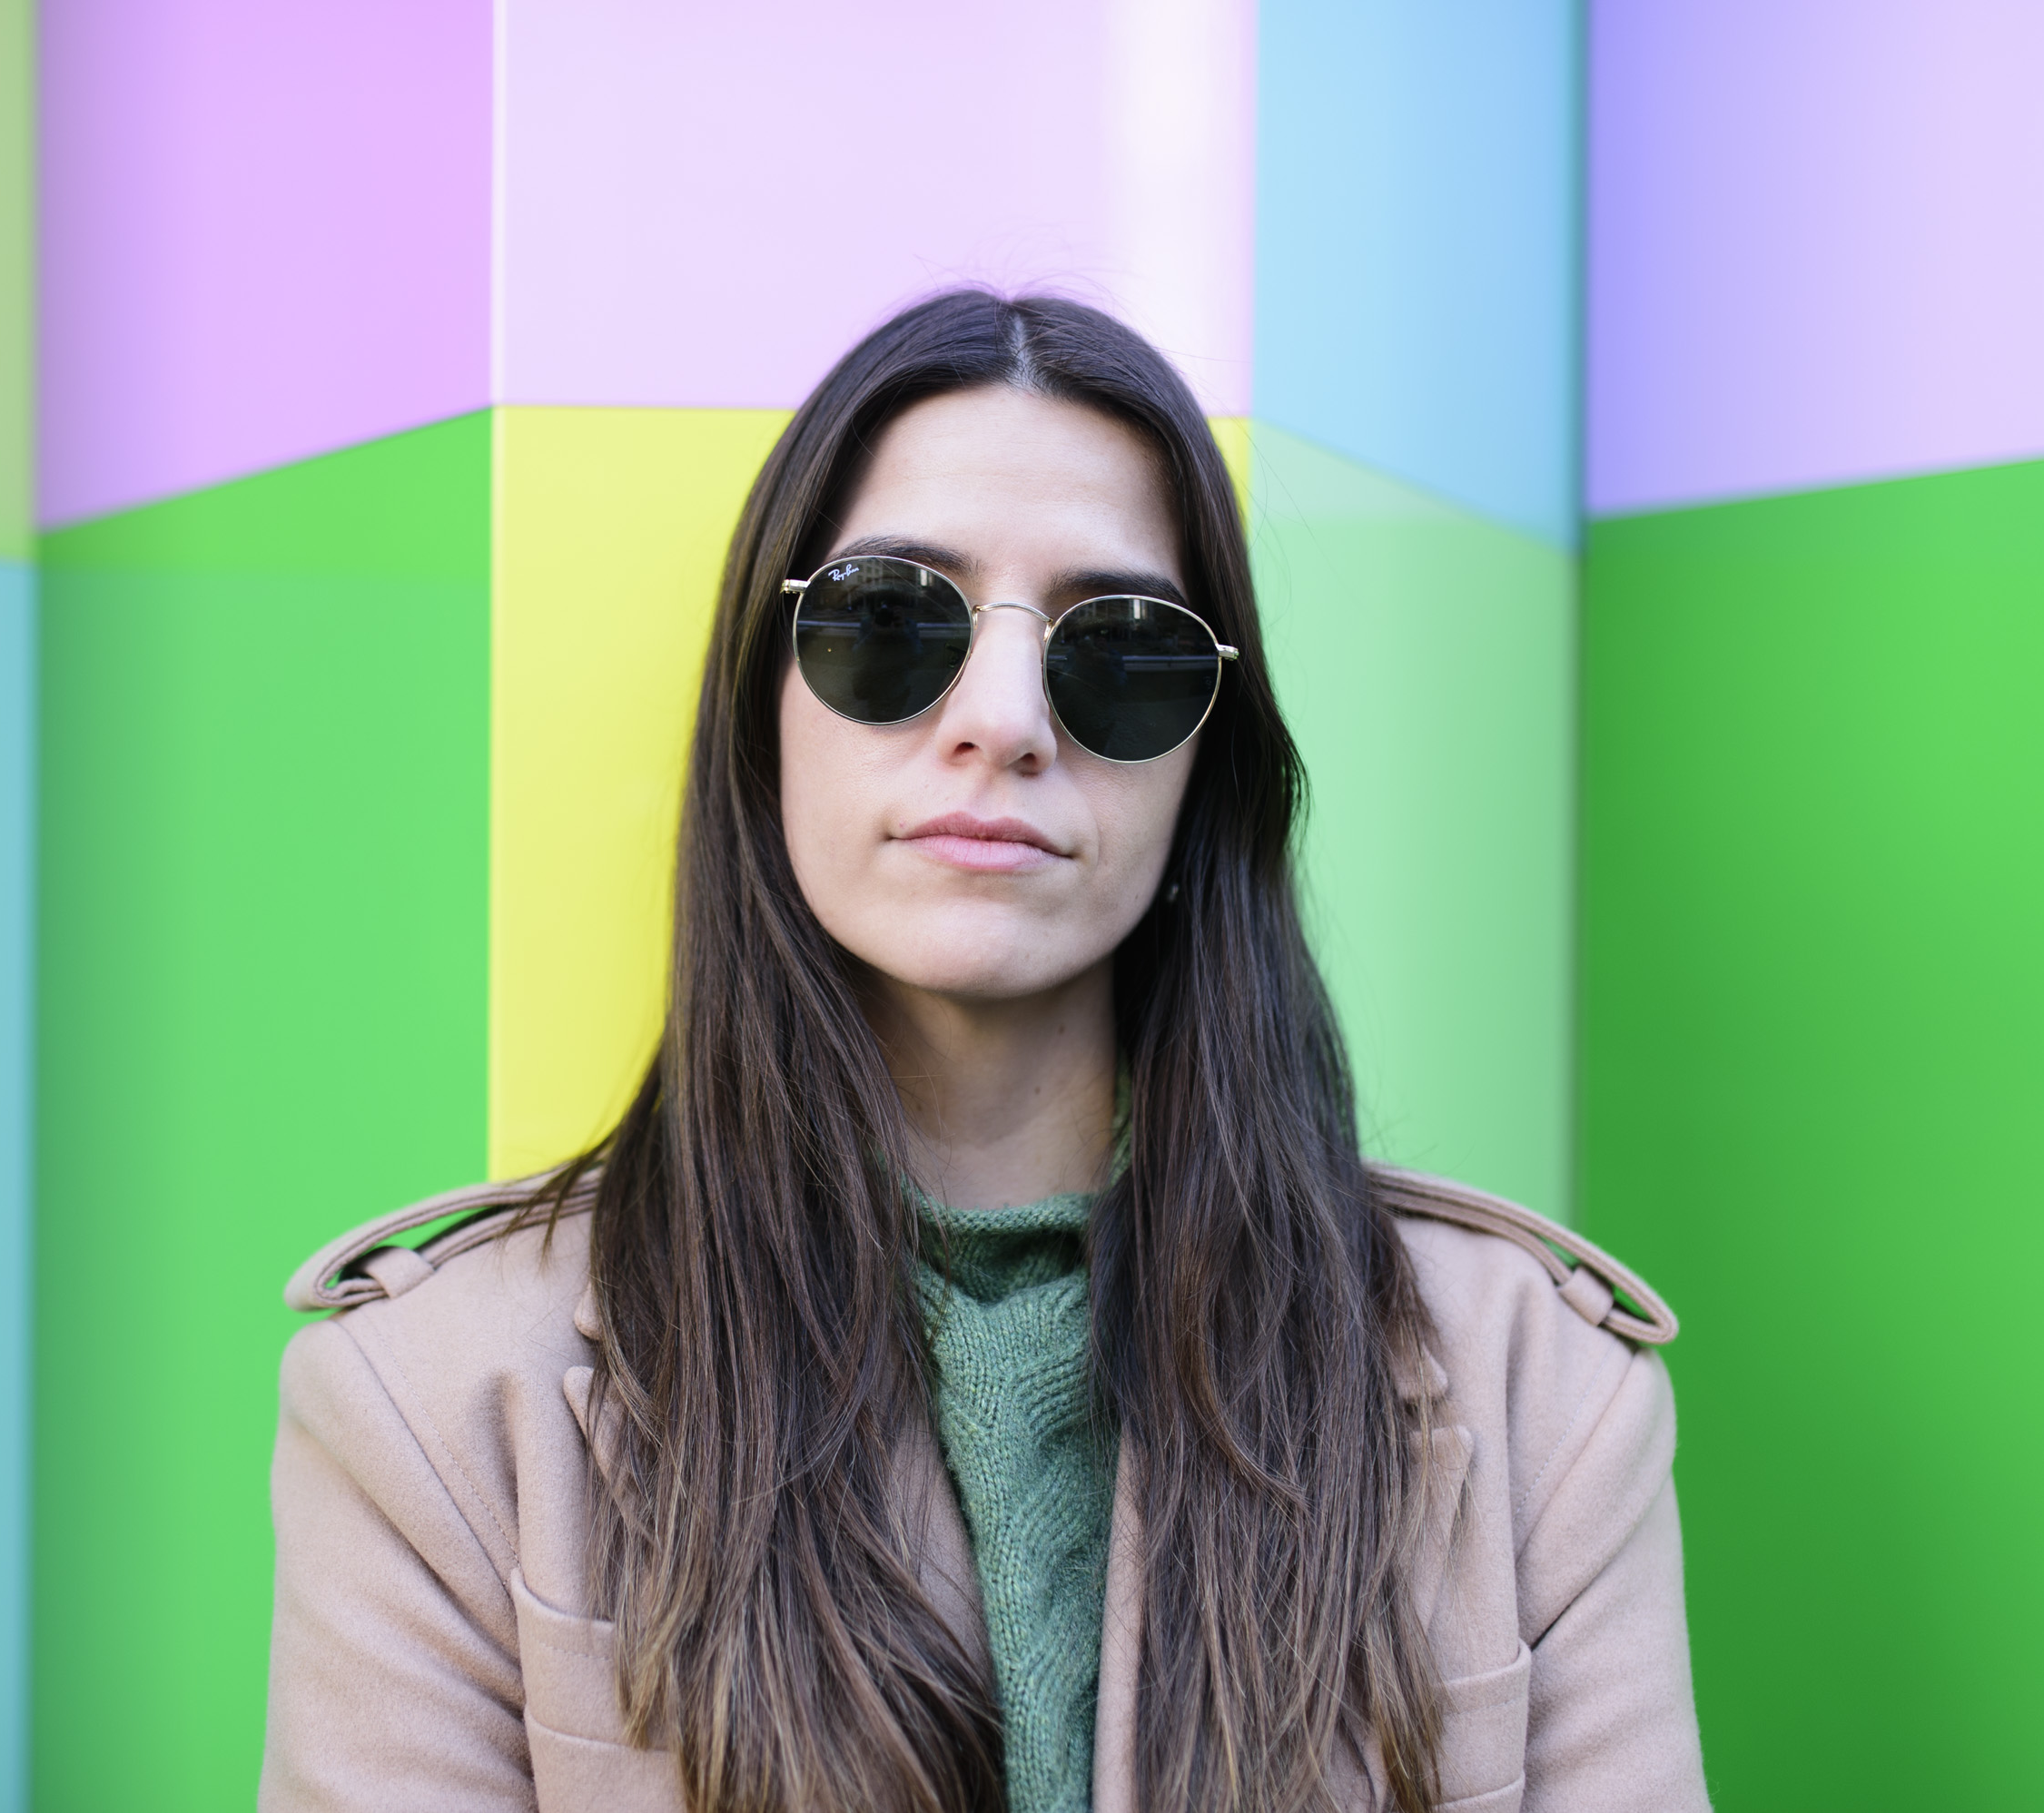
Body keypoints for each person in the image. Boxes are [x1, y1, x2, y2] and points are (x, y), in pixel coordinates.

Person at [261, 291, 1707, 1813]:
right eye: (893, 620)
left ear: (1209, 759)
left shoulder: (1542, 1395)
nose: (1005, 719)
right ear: (763, 713)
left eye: (1123, 650)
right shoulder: (431, 1408)